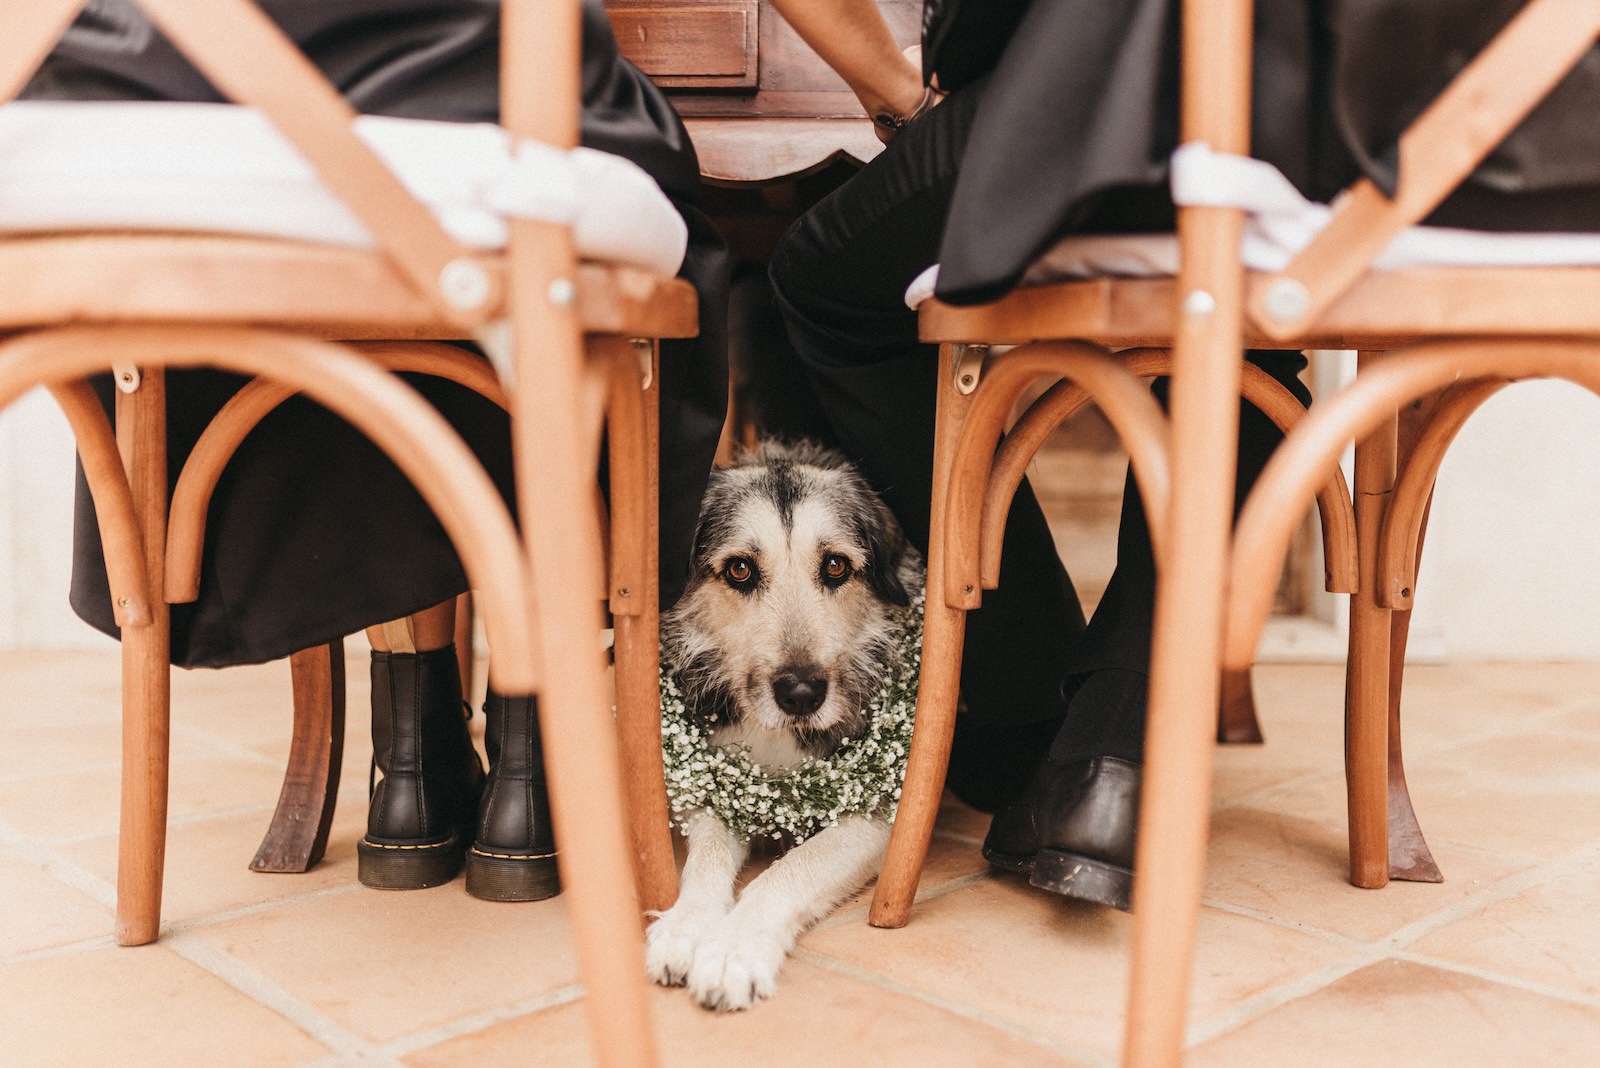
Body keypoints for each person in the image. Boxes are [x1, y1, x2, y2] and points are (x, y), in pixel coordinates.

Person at [760, 0, 1600, 910]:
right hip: (1461, 132)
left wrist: (897, 91)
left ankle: (1028, 708)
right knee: (1248, 324)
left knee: (823, 283)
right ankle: (1116, 739)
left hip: (1113, 100)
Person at [27, 0, 730, 901]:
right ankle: (529, 765)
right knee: (548, 196)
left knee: (368, 277)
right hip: (471, 81)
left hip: (155, 89)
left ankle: (413, 767)